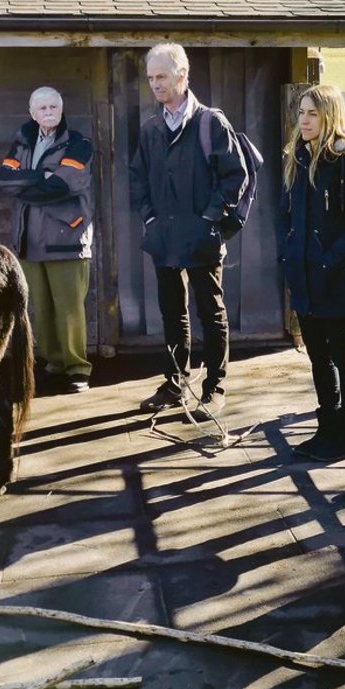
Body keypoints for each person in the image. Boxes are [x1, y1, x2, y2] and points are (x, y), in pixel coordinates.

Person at [129, 43, 247, 416]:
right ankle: (176, 382)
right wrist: (149, 217)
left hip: (201, 236)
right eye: (151, 78)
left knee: (211, 311)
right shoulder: (151, 129)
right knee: (172, 311)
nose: (155, 84)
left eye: (161, 76)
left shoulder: (211, 123)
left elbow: (235, 176)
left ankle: (215, 388)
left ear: (182, 75)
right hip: (163, 236)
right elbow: (137, 177)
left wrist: (209, 219)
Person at [279, 85, 345, 462]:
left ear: (330, 115)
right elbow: (286, 216)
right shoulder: (298, 156)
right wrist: (289, 255)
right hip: (305, 279)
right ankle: (327, 429)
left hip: (339, 282)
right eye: (301, 112)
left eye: (313, 114)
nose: (303, 120)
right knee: (318, 358)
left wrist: (327, 262)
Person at [0, 87, 94, 394]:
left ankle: (78, 369)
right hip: (29, 239)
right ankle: (54, 364)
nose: (49, 112)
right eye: (43, 108)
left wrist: (28, 182)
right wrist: (43, 175)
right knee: (41, 306)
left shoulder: (79, 143)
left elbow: (64, 185)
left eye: (54, 107)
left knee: (70, 308)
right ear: (32, 113)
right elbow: (4, 180)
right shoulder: (22, 142)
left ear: (61, 110)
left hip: (66, 237)